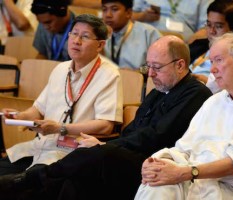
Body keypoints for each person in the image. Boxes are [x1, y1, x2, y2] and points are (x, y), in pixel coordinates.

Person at [0, 35, 212, 200]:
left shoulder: (196, 93)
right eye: (148, 67)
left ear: (180, 65)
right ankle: (19, 189)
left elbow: (156, 136)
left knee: (97, 156)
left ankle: (30, 179)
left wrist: (104, 146)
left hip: (154, 163)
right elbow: (132, 130)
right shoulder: (159, 90)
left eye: (156, 68)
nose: (151, 74)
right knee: (75, 180)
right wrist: (103, 144)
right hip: (129, 153)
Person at [134, 33, 233, 200]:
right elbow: (185, 148)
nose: (212, 69)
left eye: (218, 60)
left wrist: (188, 172)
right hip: (198, 179)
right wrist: (157, 162)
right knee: (156, 184)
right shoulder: (214, 102)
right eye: (211, 62)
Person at [0, 13, 123, 183]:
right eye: (74, 33)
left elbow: (106, 125)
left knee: (17, 184)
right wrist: (19, 117)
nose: (76, 40)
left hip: (71, 153)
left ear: (100, 45)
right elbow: (38, 109)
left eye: (85, 36)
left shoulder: (109, 75)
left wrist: (61, 128)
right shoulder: (61, 69)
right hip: (41, 146)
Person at [189, 0, 233, 83]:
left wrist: (208, 83)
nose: (212, 31)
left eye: (218, 26)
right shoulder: (198, 45)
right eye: (209, 25)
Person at [102, 0, 161, 70]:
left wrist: (138, 72)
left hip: (142, 79)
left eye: (114, 9)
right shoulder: (100, 35)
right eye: (104, 9)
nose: (108, 15)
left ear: (128, 13)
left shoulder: (148, 33)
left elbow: (160, 64)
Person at [131, 0, 213, 43]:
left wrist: (188, 46)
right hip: (146, 39)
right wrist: (143, 16)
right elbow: (128, 16)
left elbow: (207, 28)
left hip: (183, 44)